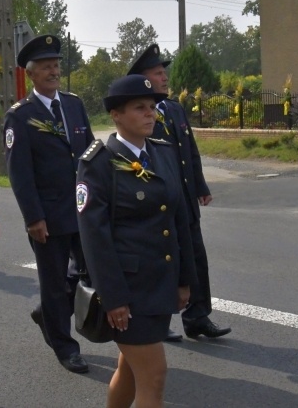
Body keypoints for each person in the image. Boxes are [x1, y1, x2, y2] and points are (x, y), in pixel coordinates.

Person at [76, 74, 197, 408]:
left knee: (130, 371)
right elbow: (94, 237)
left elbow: (179, 221)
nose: (150, 113)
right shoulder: (98, 162)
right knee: (154, 377)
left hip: (160, 284)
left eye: (152, 107)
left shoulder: (163, 153)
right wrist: (113, 298)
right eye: (139, 108)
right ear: (116, 114)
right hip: (127, 292)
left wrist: (184, 280)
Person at [4, 34, 94, 373]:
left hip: (82, 209)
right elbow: (20, 174)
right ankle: (64, 346)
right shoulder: (20, 116)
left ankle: (47, 314)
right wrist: (33, 218)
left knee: (90, 271)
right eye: (46, 67)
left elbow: (89, 155)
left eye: (56, 65)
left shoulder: (73, 105)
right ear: (30, 74)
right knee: (54, 283)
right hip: (48, 215)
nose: (54, 71)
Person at [127, 44, 230, 342]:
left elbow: (190, 151)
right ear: (143, 79)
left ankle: (198, 316)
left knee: (195, 256)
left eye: (164, 73)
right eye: (158, 73)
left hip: (184, 198)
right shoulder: (139, 115)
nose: (165, 78)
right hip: (159, 202)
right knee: (163, 260)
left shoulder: (173, 109)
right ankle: (159, 317)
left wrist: (200, 186)